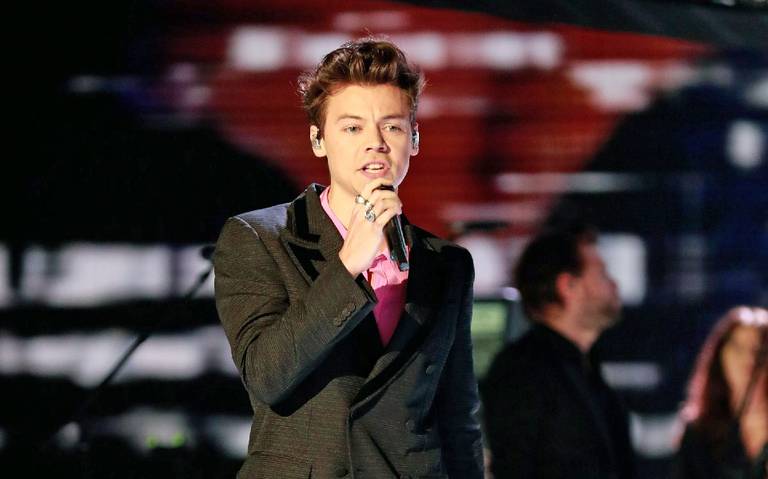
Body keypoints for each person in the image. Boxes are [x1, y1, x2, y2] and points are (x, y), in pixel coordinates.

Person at [212, 38, 483, 479]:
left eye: (392, 127)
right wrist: (347, 265)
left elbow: (457, 414)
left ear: (414, 139)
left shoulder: (446, 264)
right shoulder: (260, 239)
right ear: (318, 140)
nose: (375, 143)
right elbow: (266, 376)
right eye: (353, 128)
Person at [480, 224, 634, 479]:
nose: (614, 283)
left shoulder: (587, 369)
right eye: (602, 273)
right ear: (568, 286)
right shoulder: (521, 371)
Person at [672, 306, 768, 479]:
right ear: (720, 355)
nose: (749, 359)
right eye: (739, 349)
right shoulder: (700, 434)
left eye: (759, 351)